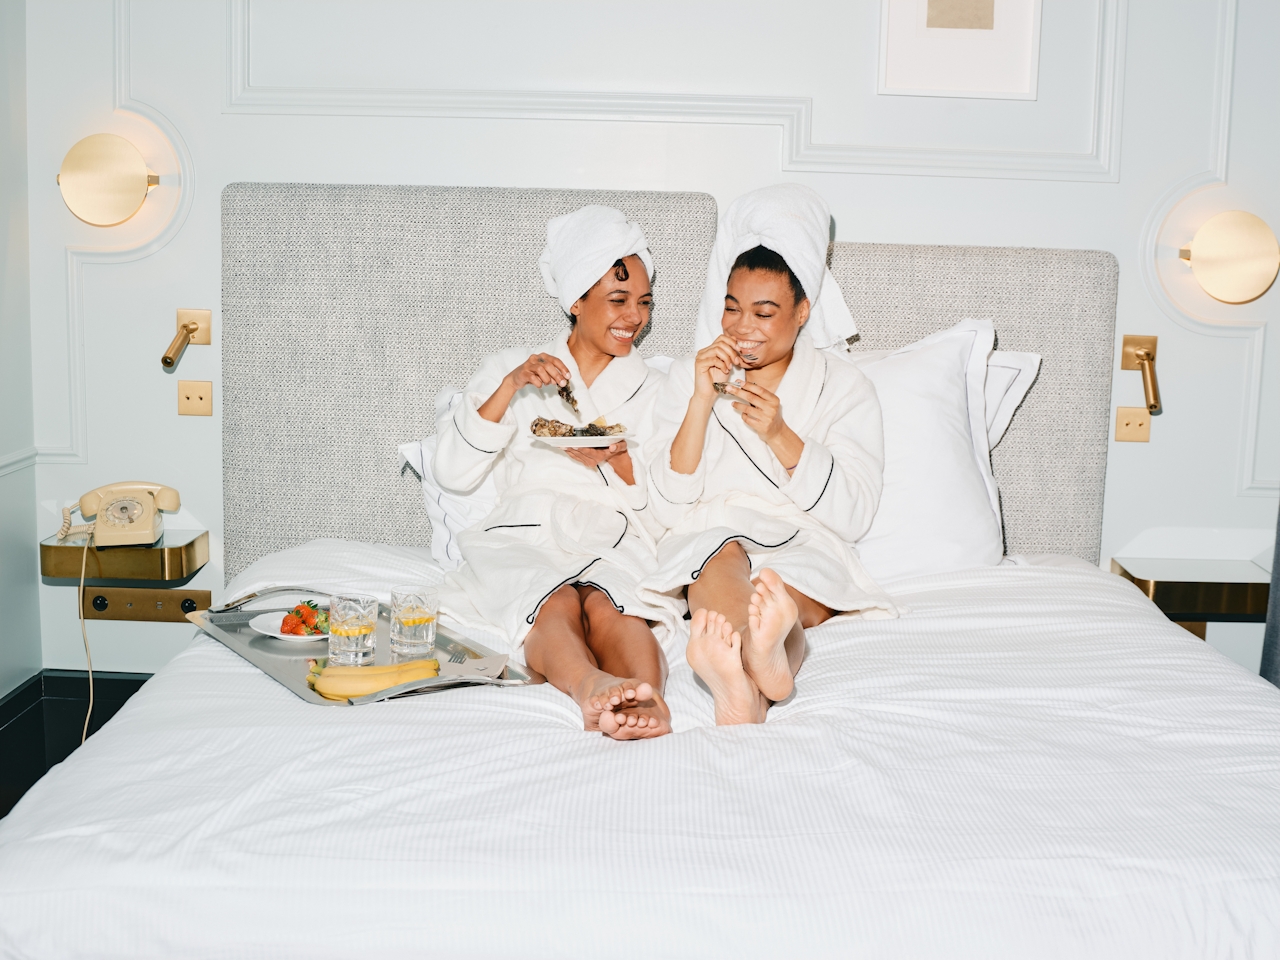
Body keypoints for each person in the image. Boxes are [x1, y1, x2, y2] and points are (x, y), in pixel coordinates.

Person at [641, 184, 896, 725]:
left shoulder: (844, 387)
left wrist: (781, 434)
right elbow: (663, 510)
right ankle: (763, 681)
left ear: (802, 311)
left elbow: (853, 512)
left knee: (779, 597)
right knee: (718, 558)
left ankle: (749, 688)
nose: (741, 329)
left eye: (764, 312)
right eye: (731, 309)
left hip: (802, 536)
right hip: (716, 533)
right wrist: (700, 403)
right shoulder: (690, 376)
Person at [433, 205, 680, 740]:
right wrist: (510, 387)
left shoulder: (658, 391)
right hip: (524, 531)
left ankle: (649, 698)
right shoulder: (515, 368)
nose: (634, 317)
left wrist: (617, 461)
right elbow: (452, 472)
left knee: (612, 603)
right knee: (553, 599)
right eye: (618, 300)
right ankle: (589, 686)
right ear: (575, 301)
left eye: (643, 302)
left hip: (611, 531)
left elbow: (666, 508)